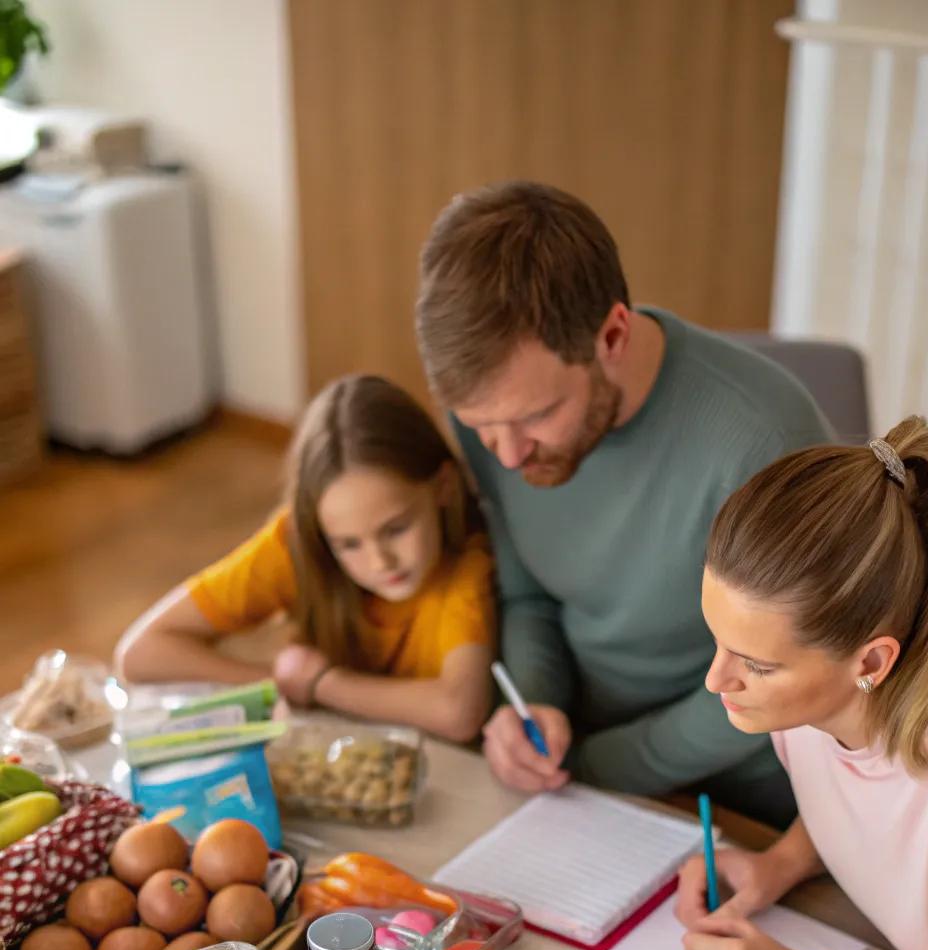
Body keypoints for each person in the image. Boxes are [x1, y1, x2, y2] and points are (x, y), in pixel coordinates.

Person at [415, 181, 832, 825]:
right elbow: (529, 597)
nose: (507, 456)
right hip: (575, 762)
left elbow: (781, 675)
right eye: (479, 425)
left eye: (537, 416)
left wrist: (592, 768)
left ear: (612, 335)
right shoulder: (497, 418)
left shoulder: (764, 441)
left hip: (745, 787)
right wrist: (534, 708)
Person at [675, 417, 928, 950]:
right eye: (718, 639)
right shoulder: (816, 684)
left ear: (871, 662)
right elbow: (868, 798)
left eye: (756, 664)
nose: (716, 679)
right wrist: (781, 863)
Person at [116, 375, 495, 743]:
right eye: (348, 544)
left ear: (443, 487)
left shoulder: (465, 566)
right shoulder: (295, 544)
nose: (380, 562)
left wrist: (323, 684)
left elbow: (459, 712)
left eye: (395, 529)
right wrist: (277, 683)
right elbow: (139, 654)